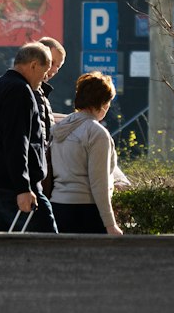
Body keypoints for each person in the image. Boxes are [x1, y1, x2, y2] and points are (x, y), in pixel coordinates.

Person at [0, 41, 58, 233]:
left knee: (1, 254)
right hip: (15, 190)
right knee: (51, 248)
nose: (44, 80)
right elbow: (17, 142)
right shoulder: (21, 91)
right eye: (44, 73)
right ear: (33, 65)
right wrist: (23, 187)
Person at [49, 71, 124, 236]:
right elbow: (99, 183)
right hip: (86, 209)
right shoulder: (97, 133)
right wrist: (110, 224)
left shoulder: (58, 128)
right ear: (103, 102)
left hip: (58, 206)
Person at [37, 35, 66, 194]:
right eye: (52, 63)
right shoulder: (26, 92)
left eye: (58, 66)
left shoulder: (42, 94)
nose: (54, 70)